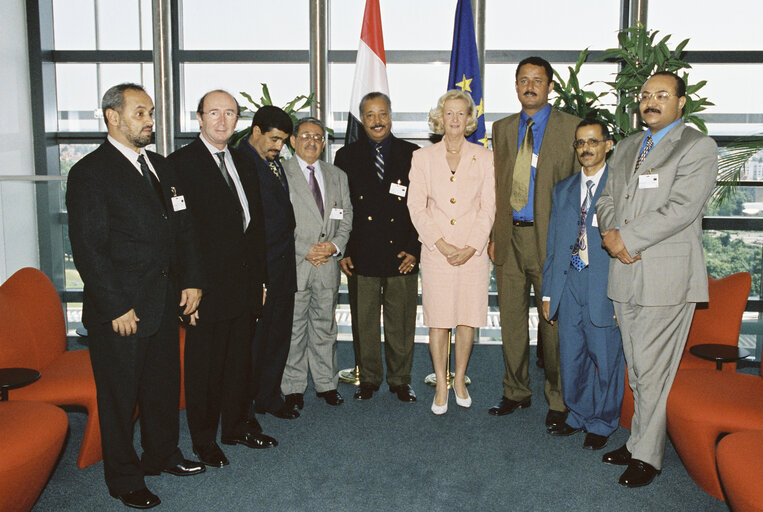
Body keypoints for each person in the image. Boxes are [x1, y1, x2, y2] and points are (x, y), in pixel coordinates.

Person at [66, 83, 205, 509]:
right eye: (141, 112)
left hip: (163, 301)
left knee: (161, 387)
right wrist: (115, 306)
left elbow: (182, 230)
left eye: (151, 112)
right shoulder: (90, 172)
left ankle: (161, 454)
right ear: (112, 117)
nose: (150, 121)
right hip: (122, 309)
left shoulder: (160, 166)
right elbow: (89, 248)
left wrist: (191, 281)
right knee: (119, 397)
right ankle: (124, 478)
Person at [596, 71, 717, 487]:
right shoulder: (628, 147)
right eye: (646, 95)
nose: (651, 101)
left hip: (666, 275)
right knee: (637, 367)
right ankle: (636, 443)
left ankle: (648, 456)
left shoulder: (697, 146)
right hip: (625, 270)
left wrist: (625, 237)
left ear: (681, 102)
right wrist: (613, 238)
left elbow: (683, 208)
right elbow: (608, 199)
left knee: (652, 368)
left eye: (662, 95)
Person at [168, 90, 277, 470]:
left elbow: (255, 227)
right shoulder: (180, 164)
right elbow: (180, 233)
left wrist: (261, 281)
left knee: (238, 365)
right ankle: (203, 441)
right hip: (205, 290)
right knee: (205, 372)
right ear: (198, 118)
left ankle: (236, 426)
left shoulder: (244, 163)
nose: (221, 120)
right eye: (213, 112)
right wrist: (187, 286)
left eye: (229, 113)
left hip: (244, 287)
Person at [488, 57, 581, 431]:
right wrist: (494, 234)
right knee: (510, 321)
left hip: (551, 243)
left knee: (552, 324)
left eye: (537, 80)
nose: (530, 86)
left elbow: (580, 191)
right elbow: (497, 187)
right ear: (515, 86)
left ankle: (557, 398)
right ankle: (515, 391)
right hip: (510, 238)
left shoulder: (571, 128)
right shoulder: (502, 128)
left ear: (550, 86)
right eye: (523, 80)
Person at [408, 89, 495, 415]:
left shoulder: (485, 157)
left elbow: (489, 207)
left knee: (467, 318)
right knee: (439, 319)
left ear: (470, 119)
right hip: (437, 252)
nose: (455, 119)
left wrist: (472, 246)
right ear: (439, 117)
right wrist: (442, 244)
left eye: (461, 114)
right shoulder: (422, 157)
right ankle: (441, 386)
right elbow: (416, 206)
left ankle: (459, 379)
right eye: (449, 113)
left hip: (472, 254)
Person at [541, 118, 624, 449]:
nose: (586, 148)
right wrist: (549, 293)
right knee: (572, 355)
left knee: (605, 358)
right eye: (580, 143)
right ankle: (576, 415)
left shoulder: (621, 187)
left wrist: (623, 298)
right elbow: (553, 246)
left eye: (593, 141)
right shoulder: (562, 189)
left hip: (604, 284)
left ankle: (602, 423)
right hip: (569, 283)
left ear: (608, 144)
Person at [335, 92, 420, 402]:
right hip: (362, 254)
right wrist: (343, 250)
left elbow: (422, 206)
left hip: (402, 254)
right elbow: (340, 207)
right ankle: (368, 378)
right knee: (364, 322)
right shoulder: (346, 156)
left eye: (382, 113)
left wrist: (415, 249)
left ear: (391, 115)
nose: (377, 121)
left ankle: (400, 380)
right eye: (370, 115)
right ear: (362, 119)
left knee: (401, 321)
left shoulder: (413, 154)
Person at [280, 117, 353, 410]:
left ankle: (326, 383)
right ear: (293, 141)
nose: (312, 141)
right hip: (296, 263)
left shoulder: (337, 175)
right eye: (306, 136)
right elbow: (275, 223)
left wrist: (334, 246)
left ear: (324, 144)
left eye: (319, 137)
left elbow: (345, 216)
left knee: (325, 327)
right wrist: (304, 249)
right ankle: (293, 386)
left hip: (327, 265)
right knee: (294, 329)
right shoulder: (280, 173)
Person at [236, 106, 299, 420]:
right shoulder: (239, 163)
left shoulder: (274, 164)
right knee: (254, 344)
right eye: (274, 139)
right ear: (255, 131)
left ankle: (269, 397)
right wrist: (256, 279)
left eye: (284, 141)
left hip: (283, 268)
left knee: (277, 337)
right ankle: (243, 405)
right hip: (260, 273)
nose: (279, 147)